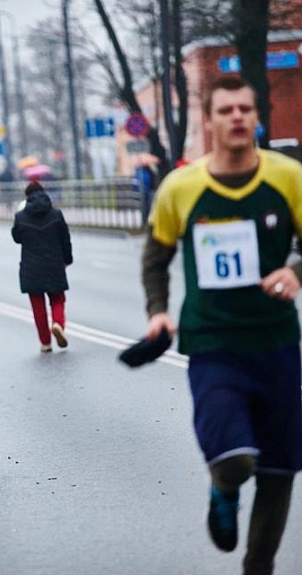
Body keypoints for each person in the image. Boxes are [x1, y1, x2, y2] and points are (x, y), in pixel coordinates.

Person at [142, 77, 302, 575]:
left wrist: (295, 272)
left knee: (278, 469)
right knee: (235, 459)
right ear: (209, 120)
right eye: (226, 109)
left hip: (276, 342)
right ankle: (224, 490)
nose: (237, 117)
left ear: (256, 116)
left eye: (245, 109)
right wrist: (158, 310)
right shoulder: (181, 187)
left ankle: (259, 565)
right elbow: (156, 256)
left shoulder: (288, 177)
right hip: (213, 344)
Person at [12, 181, 73, 352]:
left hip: (31, 268)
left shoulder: (21, 216)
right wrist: (67, 259)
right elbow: (65, 239)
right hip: (54, 264)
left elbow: (16, 238)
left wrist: (19, 218)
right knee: (58, 299)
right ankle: (58, 324)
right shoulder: (56, 214)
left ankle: (45, 342)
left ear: (27, 197)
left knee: (38, 307)